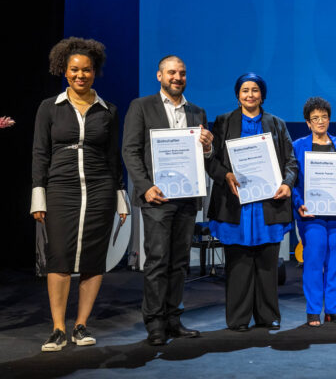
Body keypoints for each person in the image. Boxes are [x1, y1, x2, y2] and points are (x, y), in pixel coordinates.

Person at [31, 37, 129, 351]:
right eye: (74, 70)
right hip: (61, 188)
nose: (80, 75)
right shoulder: (49, 107)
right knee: (58, 257)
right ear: (64, 70)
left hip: (101, 188)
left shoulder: (108, 110)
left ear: (94, 71)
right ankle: (58, 328)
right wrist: (38, 195)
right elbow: (40, 153)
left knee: (92, 259)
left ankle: (81, 325)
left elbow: (114, 156)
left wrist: (120, 195)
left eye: (86, 70)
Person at [122, 55, 214, 346]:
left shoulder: (197, 112)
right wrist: (145, 186)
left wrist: (209, 147)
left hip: (187, 197)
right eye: (172, 72)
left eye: (182, 73)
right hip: (157, 198)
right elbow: (130, 151)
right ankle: (155, 322)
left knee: (180, 262)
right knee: (158, 261)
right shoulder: (141, 106)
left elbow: (204, 158)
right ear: (159, 76)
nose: (178, 77)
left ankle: (174, 318)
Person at [206, 73, 297, 332]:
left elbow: (291, 161)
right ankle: (238, 319)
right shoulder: (223, 122)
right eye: (245, 90)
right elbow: (210, 160)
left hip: (268, 206)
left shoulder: (276, 123)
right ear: (238, 95)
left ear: (262, 94)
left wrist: (286, 184)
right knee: (238, 265)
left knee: (268, 264)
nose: (250, 95)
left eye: (255, 90)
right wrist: (226, 175)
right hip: (235, 205)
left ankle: (268, 317)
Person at [292, 97, 336, 326]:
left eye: (324, 117)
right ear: (308, 123)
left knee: (335, 262)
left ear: (329, 119)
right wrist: (299, 202)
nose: (320, 121)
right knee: (313, 260)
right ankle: (313, 310)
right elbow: (292, 180)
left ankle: (332, 309)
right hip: (311, 214)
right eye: (315, 118)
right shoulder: (298, 146)